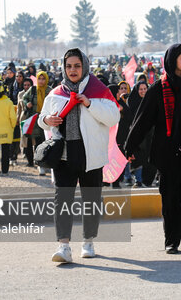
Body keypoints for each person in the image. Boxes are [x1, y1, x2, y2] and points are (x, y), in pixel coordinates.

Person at [125, 43, 181, 254]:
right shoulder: (159, 89)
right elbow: (143, 120)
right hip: (168, 151)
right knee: (170, 197)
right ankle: (172, 240)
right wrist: (130, 146)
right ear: (173, 60)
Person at [39, 48, 119, 263]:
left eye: (76, 65)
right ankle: (63, 246)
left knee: (91, 199)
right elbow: (41, 117)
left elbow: (113, 117)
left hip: (90, 155)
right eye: (68, 66)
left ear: (84, 66)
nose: (72, 70)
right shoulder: (56, 93)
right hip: (63, 155)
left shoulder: (98, 89)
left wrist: (89, 103)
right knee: (62, 199)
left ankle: (88, 241)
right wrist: (47, 120)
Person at [22, 71, 52, 175]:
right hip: (34, 120)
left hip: (46, 120)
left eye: (43, 79)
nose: (41, 81)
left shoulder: (50, 91)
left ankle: (45, 163)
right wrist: (27, 104)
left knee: (46, 142)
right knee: (37, 142)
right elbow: (24, 98)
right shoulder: (33, 89)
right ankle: (39, 164)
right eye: (39, 78)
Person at [124, 81, 150, 186]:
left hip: (149, 134)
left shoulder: (150, 100)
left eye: (145, 89)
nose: (143, 91)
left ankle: (146, 180)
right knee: (136, 157)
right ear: (137, 90)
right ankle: (136, 179)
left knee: (147, 157)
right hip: (136, 134)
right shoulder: (132, 102)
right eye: (141, 89)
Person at [16, 78, 33, 166]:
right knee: (26, 139)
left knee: (34, 140)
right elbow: (19, 107)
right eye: (25, 85)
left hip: (33, 117)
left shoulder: (35, 93)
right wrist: (17, 118)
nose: (26, 87)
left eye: (28, 85)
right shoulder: (20, 94)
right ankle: (29, 160)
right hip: (24, 117)